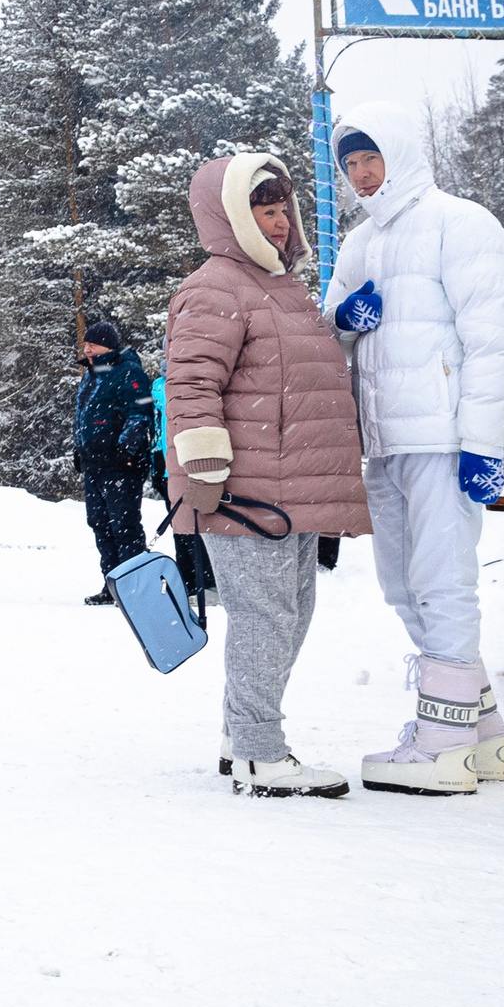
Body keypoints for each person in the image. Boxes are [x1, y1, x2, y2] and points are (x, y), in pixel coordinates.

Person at [322, 103, 504, 794]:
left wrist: (483, 441)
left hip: (442, 438)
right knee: (403, 584)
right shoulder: (358, 244)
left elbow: (495, 340)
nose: (361, 173)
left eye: (369, 157)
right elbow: (328, 328)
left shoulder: (460, 224)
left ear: (400, 152)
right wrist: (345, 321)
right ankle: (482, 734)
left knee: (443, 581)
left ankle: (441, 742)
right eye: (350, 164)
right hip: (384, 440)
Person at [163, 156, 371, 797]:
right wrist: (202, 467)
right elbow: (193, 381)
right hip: (244, 488)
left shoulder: (281, 287)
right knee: (265, 619)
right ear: (229, 218)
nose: (279, 225)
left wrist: (341, 328)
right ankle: (259, 752)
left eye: (284, 211)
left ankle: (240, 735)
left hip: (293, 486)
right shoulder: (215, 287)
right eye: (264, 211)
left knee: (292, 613)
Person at [73, 320, 154, 606]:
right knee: (100, 524)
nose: (87, 349)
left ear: (108, 345)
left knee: (125, 525)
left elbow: (140, 412)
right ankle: (112, 585)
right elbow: (81, 416)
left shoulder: (128, 371)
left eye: (92, 345)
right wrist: (78, 448)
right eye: (86, 344)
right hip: (94, 464)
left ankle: (133, 588)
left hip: (121, 465)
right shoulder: (92, 374)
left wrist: (127, 450)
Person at [148, 367, 216, 608]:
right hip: (165, 464)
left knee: (197, 523)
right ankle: (188, 580)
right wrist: (156, 459)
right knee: (180, 527)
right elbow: (157, 425)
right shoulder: (159, 385)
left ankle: (207, 582)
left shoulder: (196, 382)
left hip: (189, 461)